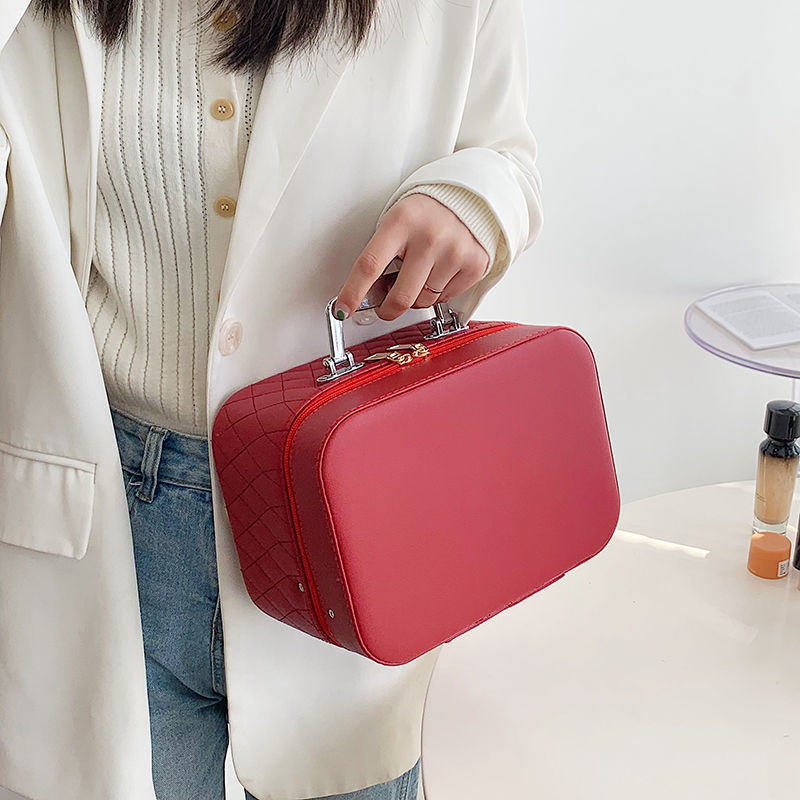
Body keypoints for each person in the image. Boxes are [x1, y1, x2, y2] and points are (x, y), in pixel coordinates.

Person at [0, 0, 543, 798]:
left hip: (339, 504)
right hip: (106, 509)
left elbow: (509, 158)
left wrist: (471, 200)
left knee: (349, 771)